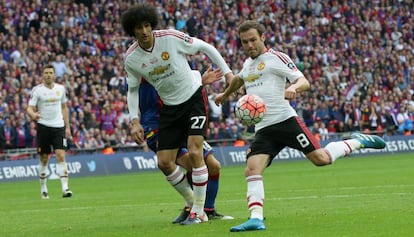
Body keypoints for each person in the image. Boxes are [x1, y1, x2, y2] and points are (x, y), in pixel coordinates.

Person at [214, 21, 387, 232]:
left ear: (262, 38)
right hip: (264, 129)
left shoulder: (276, 58)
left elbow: (304, 81)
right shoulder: (247, 64)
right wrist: (224, 94)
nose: (249, 45)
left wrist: (293, 88)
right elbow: (239, 80)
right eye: (244, 42)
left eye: (253, 40)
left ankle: (357, 141)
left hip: (286, 121)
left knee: (321, 159)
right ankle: (256, 218)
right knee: (251, 168)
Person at [121, 4, 233, 225]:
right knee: (164, 162)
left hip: (193, 98)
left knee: (195, 153)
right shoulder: (132, 58)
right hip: (170, 109)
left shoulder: (170, 37)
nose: (144, 31)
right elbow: (132, 90)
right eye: (138, 28)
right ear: (132, 31)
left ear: (152, 25)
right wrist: (134, 120)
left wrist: (228, 73)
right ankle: (192, 203)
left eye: (146, 26)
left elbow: (206, 47)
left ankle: (200, 213)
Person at [140, 68, 233, 222]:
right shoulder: (148, 68)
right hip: (159, 126)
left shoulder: (179, 64)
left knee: (214, 166)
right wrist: (134, 121)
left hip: (182, 123)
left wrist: (200, 83)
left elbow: (185, 92)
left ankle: (208, 210)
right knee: (193, 165)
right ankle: (193, 207)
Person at [27, 64, 73, 199]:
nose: (48, 75)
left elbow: (64, 107)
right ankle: (43, 188)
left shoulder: (61, 89)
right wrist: (33, 115)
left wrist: (68, 126)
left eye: (50, 73)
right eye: (46, 73)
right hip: (43, 126)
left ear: (54, 75)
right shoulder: (37, 90)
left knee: (61, 155)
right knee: (44, 158)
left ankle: (65, 188)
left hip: (58, 126)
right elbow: (29, 108)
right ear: (42, 75)